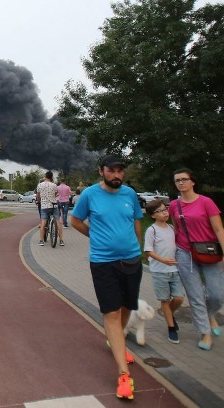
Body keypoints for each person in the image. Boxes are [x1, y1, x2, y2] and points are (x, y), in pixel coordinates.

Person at [69, 155, 144, 401]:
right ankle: (124, 375)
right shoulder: (90, 194)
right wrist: (94, 236)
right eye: (112, 170)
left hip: (132, 260)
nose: (117, 175)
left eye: (120, 171)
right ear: (101, 171)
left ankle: (116, 340)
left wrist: (138, 249)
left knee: (125, 308)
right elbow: (75, 220)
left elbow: (136, 222)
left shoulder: (130, 194)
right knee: (111, 313)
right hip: (103, 262)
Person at [171, 168, 224, 351]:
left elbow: (219, 229)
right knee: (195, 295)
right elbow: (176, 230)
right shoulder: (175, 205)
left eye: (184, 179)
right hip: (185, 253)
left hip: (210, 251)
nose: (181, 183)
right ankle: (204, 332)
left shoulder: (206, 202)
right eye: (177, 180)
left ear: (192, 182)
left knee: (217, 294)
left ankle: (209, 314)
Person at [143, 199, 184, 344]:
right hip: (159, 271)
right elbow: (148, 251)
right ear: (153, 215)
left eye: (165, 209)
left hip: (174, 269)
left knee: (179, 298)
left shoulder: (172, 228)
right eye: (159, 211)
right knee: (165, 300)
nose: (164, 213)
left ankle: (169, 315)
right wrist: (162, 260)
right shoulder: (151, 230)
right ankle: (171, 328)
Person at [36, 171, 61, 246]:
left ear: (45, 176)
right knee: (58, 222)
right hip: (53, 205)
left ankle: (41, 241)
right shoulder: (54, 185)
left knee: (43, 222)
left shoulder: (40, 185)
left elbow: (38, 195)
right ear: (51, 177)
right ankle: (61, 241)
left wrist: (38, 201)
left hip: (44, 205)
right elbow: (56, 194)